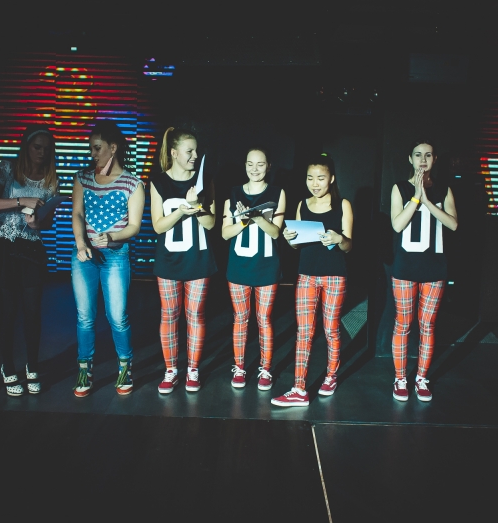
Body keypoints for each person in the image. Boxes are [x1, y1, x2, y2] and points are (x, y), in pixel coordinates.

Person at [0, 124, 59, 397]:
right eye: (37, 147)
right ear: (26, 146)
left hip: (31, 248)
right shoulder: (8, 168)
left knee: (32, 311)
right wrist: (20, 200)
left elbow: (47, 222)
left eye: (47, 149)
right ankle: (8, 366)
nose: (42, 152)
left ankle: (32, 366)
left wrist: (37, 222)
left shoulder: (51, 179)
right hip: (3, 247)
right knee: (8, 311)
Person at [70, 121, 145, 397]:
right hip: (85, 255)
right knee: (85, 316)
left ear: (113, 148)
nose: (92, 153)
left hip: (115, 255)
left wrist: (111, 237)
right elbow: (77, 213)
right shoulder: (82, 178)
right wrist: (81, 244)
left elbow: (134, 226)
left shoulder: (133, 183)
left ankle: (125, 367)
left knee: (117, 316)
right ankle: (85, 370)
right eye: (91, 148)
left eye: (97, 148)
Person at [271, 154, 353, 407]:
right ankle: (299, 388)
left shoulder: (343, 205)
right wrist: (289, 238)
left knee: (331, 330)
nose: (315, 183)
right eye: (310, 178)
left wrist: (339, 239)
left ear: (332, 179)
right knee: (304, 332)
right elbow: (297, 245)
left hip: (335, 276)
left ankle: (331, 376)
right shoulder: (302, 205)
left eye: (320, 178)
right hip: (306, 275)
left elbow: (349, 246)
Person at [388, 140, 458, 403]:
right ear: (410, 159)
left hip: (434, 268)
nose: (423, 160)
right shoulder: (400, 188)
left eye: (428, 155)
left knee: (427, 325)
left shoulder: (444, 189)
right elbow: (397, 225)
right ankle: (400, 378)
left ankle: (421, 378)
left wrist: (427, 200)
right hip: (405, 267)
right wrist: (417, 197)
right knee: (403, 324)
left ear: (435, 159)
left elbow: (453, 224)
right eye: (418, 155)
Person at [151, 127, 216, 393]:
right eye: (189, 151)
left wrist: (197, 207)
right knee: (169, 315)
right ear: (174, 153)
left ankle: (192, 370)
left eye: (196, 151)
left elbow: (211, 224)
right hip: (168, 260)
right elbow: (158, 226)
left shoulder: (205, 180)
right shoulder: (158, 182)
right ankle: (171, 370)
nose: (195, 156)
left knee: (195, 315)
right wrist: (180, 210)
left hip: (198, 259)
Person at [222, 148, 286, 390]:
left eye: (260, 164)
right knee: (240, 318)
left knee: (264, 319)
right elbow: (225, 233)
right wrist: (243, 220)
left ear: (268, 166)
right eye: (250, 164)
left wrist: (257, 217)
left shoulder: (277, 193)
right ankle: (239, 367)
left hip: (267, 267)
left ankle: (265, 369)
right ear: (245, 165)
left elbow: (276, 232)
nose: (255, 169)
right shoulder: (233, 193)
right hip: (239, 266)